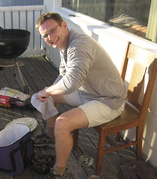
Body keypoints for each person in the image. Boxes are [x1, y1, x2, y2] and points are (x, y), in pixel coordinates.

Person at [33, 12, 127, 178]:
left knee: (63, 122)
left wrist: (45, 91)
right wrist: (47, 92)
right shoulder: (64, 44)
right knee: (48, 97)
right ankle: (50, 134)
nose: (50, 37)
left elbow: (72, 83)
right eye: (45, 35)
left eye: (52, 31)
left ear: (64, 25)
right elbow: (63, 75)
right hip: (87, 93)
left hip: (108, 100)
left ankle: (59, 171)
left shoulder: (80, 45)